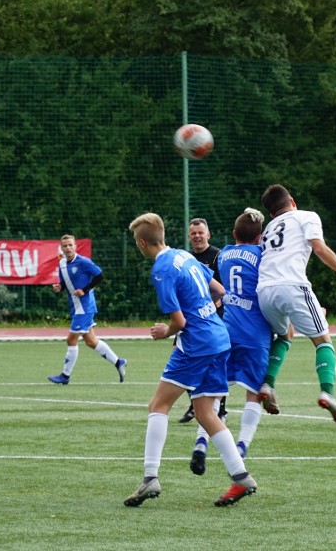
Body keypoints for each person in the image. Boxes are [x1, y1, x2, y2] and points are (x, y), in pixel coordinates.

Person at [124, 212, 257, 507]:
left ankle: (149, 478)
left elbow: (179, 322)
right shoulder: (183, 255)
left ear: (143, 243)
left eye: (136, 242)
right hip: (220, 338)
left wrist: (164, 331)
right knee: (205, 412)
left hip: (195, 344)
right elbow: (219, 290)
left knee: (158, 405)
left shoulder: (161, 269)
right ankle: (241, 476)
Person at [256, 184, 336, 427]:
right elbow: (319, 247)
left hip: (264, 290)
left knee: (285, 335)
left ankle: (267, 384)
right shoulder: (307, 216)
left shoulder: (268, 229)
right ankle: (327, 391)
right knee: (322, 339)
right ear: (292, 201)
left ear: (273, 213)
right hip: (293, 286)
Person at [189, 208, 272, 476]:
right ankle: (242, 446)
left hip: (227, 330)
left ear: (234, 233)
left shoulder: (223, 255)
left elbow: (211, 283)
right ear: (260, 237)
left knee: (213, 393)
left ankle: (201, 443)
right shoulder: (263, 256)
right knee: (254, 393)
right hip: (255, 334)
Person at [47, 235, 126, 385]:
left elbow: (99, 275)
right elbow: (65, 283)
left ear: (75, 246)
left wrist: (85, 290)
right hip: (76, 307)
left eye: (70, 245)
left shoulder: (83, 262)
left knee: (71, 339)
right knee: (90, 341)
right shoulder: (62, 264)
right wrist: (59, 287)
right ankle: (118, 362)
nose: (68, 248)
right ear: (61, 248)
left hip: (84, 307)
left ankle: (65, 375)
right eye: (65, 246)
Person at [178, 217, 227, 424]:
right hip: (191, 319)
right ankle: (194, 403)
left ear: (208, 234)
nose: (197, 236)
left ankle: (220, 409)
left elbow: (225, 287)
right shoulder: (185, 259)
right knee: (182, 356)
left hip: (215, 319)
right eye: (193, 233)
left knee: (214, 364)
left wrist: (216, 301)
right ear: (189, 237)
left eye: (200, 232)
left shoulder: (217, 256)